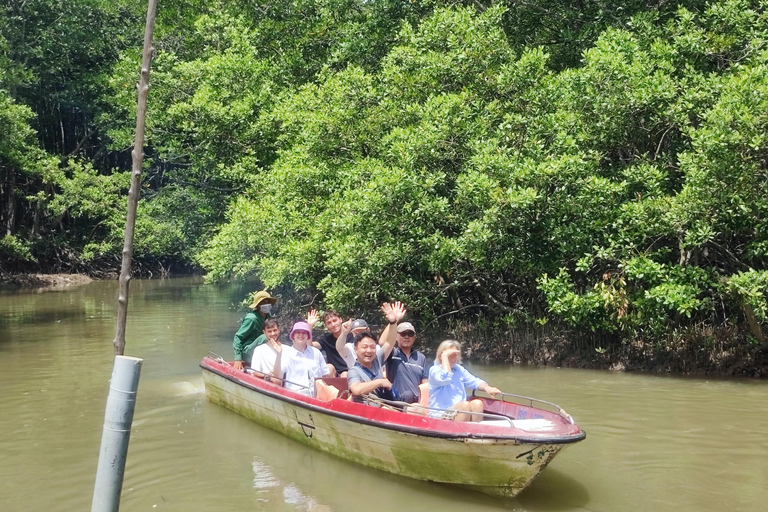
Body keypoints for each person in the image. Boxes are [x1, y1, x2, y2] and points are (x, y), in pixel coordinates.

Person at [428, 340, 501, 422]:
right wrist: (445, 356)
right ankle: (460, 433)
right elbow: (446, 379)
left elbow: (474, 381)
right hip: (440, 413)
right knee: (465, 405)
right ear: (441, 356)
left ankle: (475, 432)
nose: (454, 358)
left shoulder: (458, 369)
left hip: (458, 409)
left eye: (456, 355)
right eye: (450, 355)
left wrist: (487, 388)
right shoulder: (434, 370)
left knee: (477, 403)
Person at [347, 302, 405, 402]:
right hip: (366, 410)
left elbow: (390, 342)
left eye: (372, 347)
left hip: (384, 406)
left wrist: (393, 322)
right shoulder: (354, 371)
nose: (369, 351)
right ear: (356, 349)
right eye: (364, 347)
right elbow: (356, 390)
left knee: (416, 408)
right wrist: (380, 382)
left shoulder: (376, 360)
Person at [280, 320, 331, 396]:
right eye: (298, 332)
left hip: (316, 394)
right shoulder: (286, 354)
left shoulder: (316, 353)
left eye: (304, 333)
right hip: (295, 394)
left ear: (308, 336)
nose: (301, 335)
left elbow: (325, 375)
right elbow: (278, 375)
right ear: (293, 335)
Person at [384, 322, 429, 404]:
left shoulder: (421, 357)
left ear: (414, 338)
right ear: (396, 337)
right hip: (396, 401)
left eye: (410, 334)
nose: (406, 337)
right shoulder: (392, 353)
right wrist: (393, 321)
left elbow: (425, 383)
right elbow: (383, 342)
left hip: (416, 404)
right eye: (403, 334)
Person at [233, 290, 277, 370]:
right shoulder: (251, 319)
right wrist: (238, 358)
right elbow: (238, 337)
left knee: (273, 334)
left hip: (260, 349)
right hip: (248, 352)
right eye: (263, 303)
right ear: (258, 305)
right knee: (265, 337)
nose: (266, 305)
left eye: (268, 302)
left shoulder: (268, 316)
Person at [313, 310, 353, 377]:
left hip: (351, 372)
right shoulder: (326, 340)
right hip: (334, 374)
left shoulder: (352, 336)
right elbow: (309, 345)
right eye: (329, 323)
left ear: (340, 320)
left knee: (345, 375)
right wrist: (310, 325)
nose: (333, 325)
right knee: (328, 367)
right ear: (326, 326)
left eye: (334, 321)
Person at [250, 319, 283, 384]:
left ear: (278, 330)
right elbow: (254, 371)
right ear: (264, 332)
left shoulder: (287, 349)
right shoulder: (259, 350)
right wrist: (269, 377)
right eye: (269, 331)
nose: (273, 333)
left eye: (275, 330)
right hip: (268, 384)